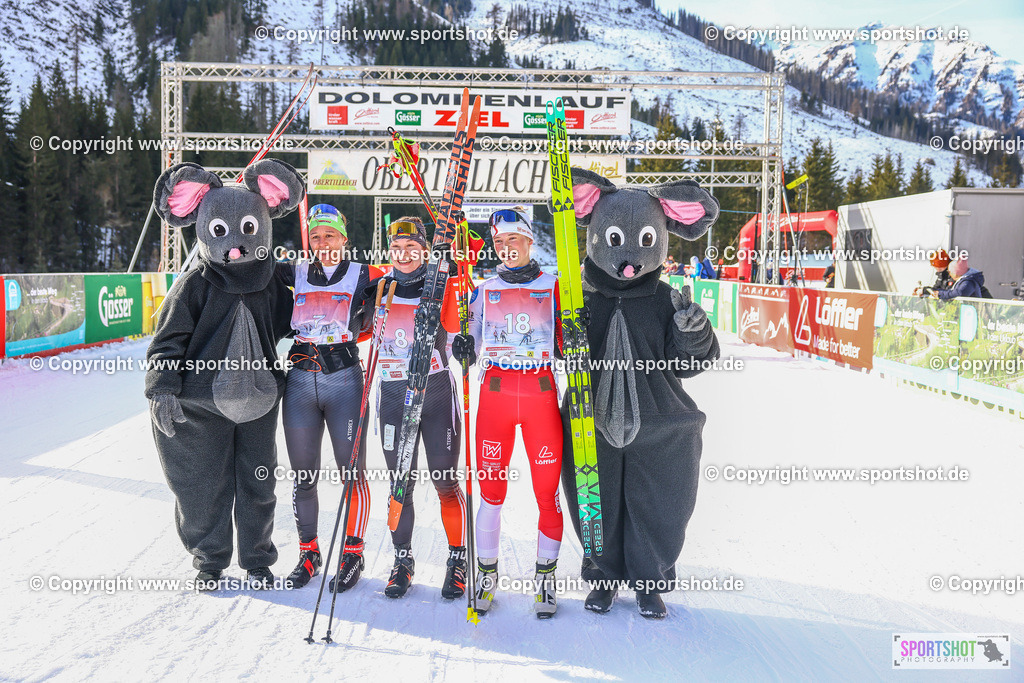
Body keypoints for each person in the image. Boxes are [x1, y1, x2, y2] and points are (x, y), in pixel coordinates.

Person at [451, 207, 564, 619]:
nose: (505, 248)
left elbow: (570, 345)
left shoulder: (554, 287)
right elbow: (465, 344)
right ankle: (486, 574)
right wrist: (461, 346)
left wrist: (577, 329)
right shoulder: (482, 289)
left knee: (546, 496)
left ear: (530, 240)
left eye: (512, 240)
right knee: (491, 495)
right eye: (499, 242)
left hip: (540, 395)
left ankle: (546, 579)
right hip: (495, 397)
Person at [279, 204, 382, 591]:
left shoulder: (363, 274)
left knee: (351, 474)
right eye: (316, 236)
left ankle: (352, 554)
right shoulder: (294, 271)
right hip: (301, 383)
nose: (323, 243)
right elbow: (246, 270)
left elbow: (411, 275)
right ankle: (309, 553)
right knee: (304, 475)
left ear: (344, 239)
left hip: (345, 382)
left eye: (330, 235)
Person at [370, 217, 468, 599]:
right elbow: (355, 326)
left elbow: (459, 323)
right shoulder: (378, 287)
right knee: (400, 484)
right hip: (393, 395)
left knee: (445, 482)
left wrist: (455, 278)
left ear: (425, 250)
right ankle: (403, 560)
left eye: (413, 248)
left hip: (436, 393)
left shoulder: (440, 283)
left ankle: (457, 560)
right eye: (398, 247)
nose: (405, 254)